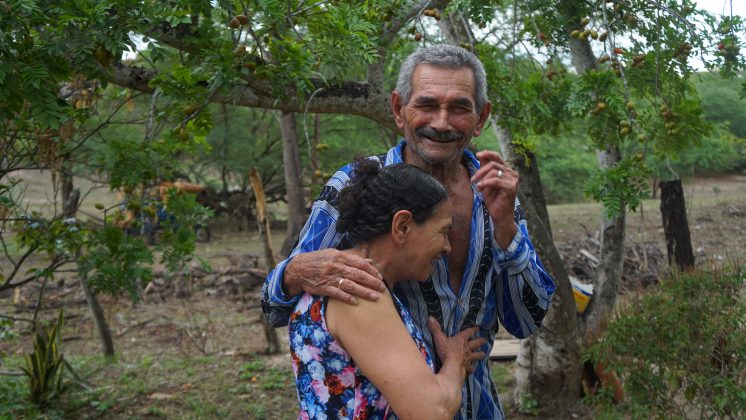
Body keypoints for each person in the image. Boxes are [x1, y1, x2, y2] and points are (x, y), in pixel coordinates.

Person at [262, 44, 556, 419]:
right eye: (427, 104)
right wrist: (294, 272)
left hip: (477, 406)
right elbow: (274, 308)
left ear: (481, 117)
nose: (442, 122)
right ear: (399, 109)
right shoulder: (355, 187)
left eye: (459, 108)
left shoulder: (497, 195)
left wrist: (506, 229)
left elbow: (526, 322)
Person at [290, 159, 486, 419]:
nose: (447, 247)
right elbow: (432, 412)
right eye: (442, 232)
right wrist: (455, 363)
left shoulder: (348, 281)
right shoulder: (359, 292)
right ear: (402, 226)